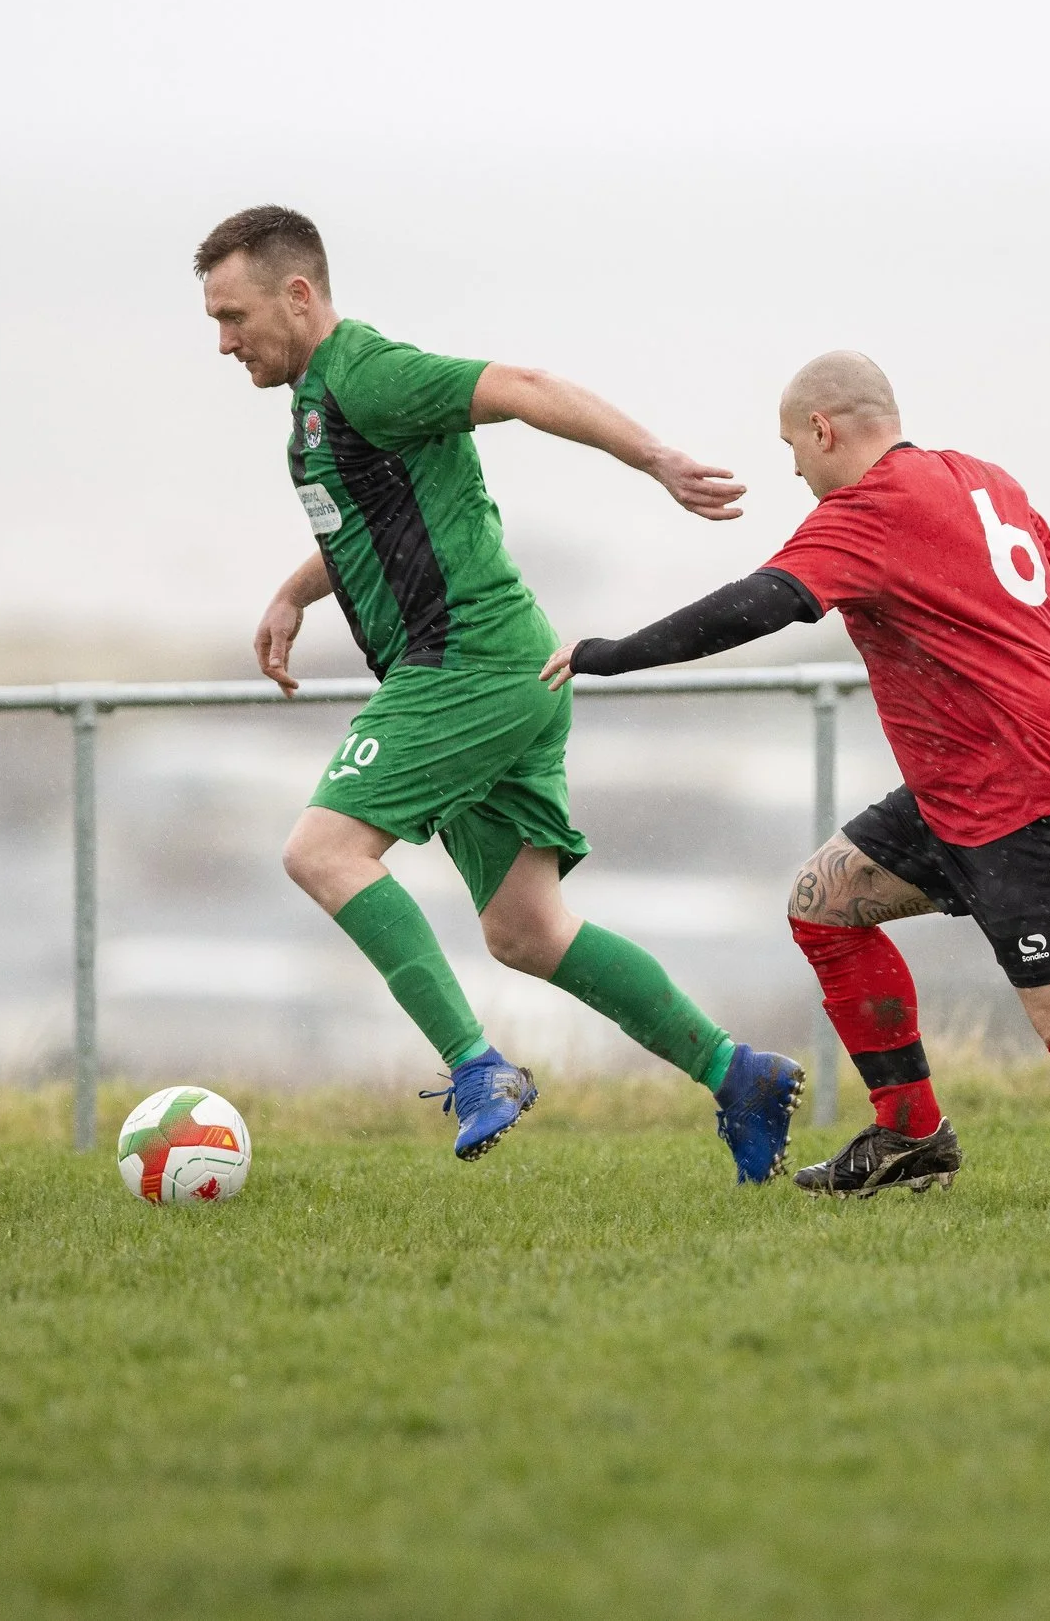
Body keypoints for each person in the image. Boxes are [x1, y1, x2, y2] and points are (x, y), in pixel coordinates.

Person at [542, 351, 1050, 1196]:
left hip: (1031, 794)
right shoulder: (980, 480)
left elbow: (760, 604)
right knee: (824, 906)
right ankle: (910, 1137)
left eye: (792, 448)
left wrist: (611, 653)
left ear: (822, 430)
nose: (793, 468)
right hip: (960, 789)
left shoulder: (867, 512)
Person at [194, 205, 802, 1181]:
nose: (224, 342)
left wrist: (656, 460)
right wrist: (292, 591)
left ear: (297, 295)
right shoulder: (318, 404)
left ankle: (478, 1068)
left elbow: (524, 386)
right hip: (510, 669)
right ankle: (738, 1075)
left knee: (323, 851)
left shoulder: (369, 372)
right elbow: (370, 518)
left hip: (466, 665)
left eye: (234, 316)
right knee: (527, 930)